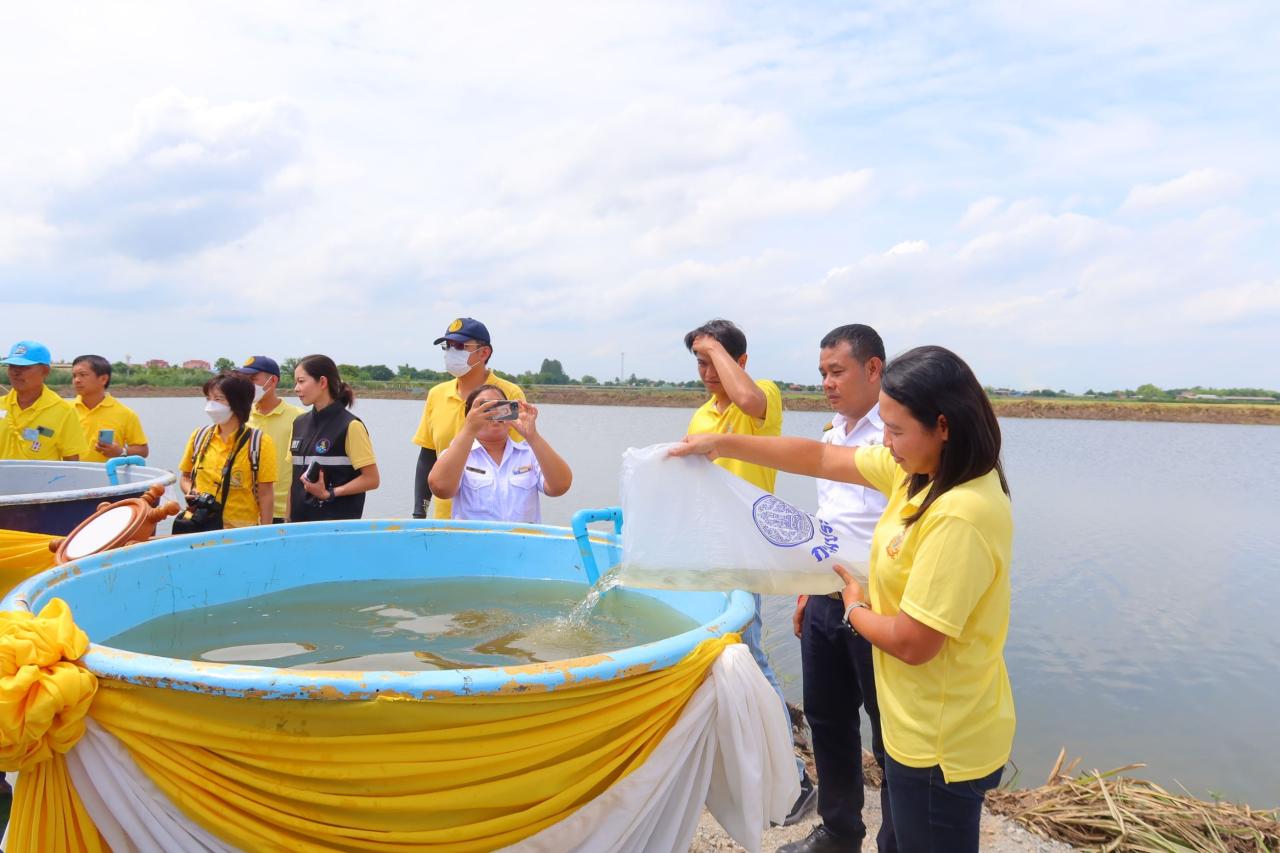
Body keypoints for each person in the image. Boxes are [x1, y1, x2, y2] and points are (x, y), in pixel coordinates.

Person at [672, 345, 1014, 853]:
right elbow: (823, 457)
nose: (888, 443)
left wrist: (854, 604)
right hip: (916, 727)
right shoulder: (919, 477)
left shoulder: (958, 514)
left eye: (896, 431)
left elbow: (916, 642)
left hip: (942, 740)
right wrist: (723, 443)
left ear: (943, 425)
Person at [681, 319, 816, 824]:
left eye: (713, 360)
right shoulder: (700, 417)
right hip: (708, 553)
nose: (706, 371)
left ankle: (796, 779)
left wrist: (716, 348)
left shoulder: (762, 397)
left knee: (752, 656)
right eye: (698, 362)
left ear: (739, 362)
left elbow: (751, 403)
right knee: (711, 656)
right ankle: (735, 767)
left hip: (745, 554)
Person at [781, 325, 892, 853]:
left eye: (837, 371)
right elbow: (827, 520)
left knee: (890, 729)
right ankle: (840, 831)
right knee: (827, 719)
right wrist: (806, 588)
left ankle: (899, 834)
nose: (826, 382)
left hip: (879, 602)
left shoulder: (894, 435)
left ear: (873, 369)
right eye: (822, 372)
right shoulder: (831, 434)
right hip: (826, 597)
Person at [411, 317, 525, 520]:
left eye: (460, 346)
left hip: (495, 518)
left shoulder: (507, 394)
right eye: (448, 346)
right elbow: (428, 456)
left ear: (484, 352)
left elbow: (515, 458)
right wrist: (419, 512)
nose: (451, 352)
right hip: (446, 518)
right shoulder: (437, 394)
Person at [428, 385, 572, 522]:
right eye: (485, 409)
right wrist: (469, 430)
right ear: (469, 417)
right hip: (474, 544)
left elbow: (560, 486)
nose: (494, 416)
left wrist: (533, 436)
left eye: (501, 408)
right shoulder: (458, 455)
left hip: (523, 544)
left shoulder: (529, 453)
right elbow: (441, 488)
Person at [289, 355, 380, 522]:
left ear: (322, 382)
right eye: (296, 382)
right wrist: (287, 523)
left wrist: (329, 493)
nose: (296, 388)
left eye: (301, 381)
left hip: (336, 529)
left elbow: (372, 479)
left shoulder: (350, 425)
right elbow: (293, 482)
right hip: (298, 529)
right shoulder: (299, 423)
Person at [178, 373, 276, 528]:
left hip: (239, 531)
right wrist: (193, 491)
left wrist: (265, 533)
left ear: (238, 402)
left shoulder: (259, 442)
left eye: (218, 399)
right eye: (208, 399)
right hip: (199, 524)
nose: (211, 405)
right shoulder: (199, 436)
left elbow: (266, 494)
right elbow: (185, 477)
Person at [238, 356, 303, 523]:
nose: (247, 385)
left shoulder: (299, 418)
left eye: (253, 379)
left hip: (284, 510)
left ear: (273, 380)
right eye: (244, 380)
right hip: (244, 510)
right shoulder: (239, 418)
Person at [1, 340, 87, 461]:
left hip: (42, 480)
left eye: (24, 367)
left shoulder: (63, 411)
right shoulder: (1, 405)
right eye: (12, 366)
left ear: (45, 371)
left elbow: (72, 462)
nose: (16, 372)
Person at [70, 354, 149, 462]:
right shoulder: (66, 411)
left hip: (107, 477)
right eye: (74, 376)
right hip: (70, 476)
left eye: (83, 375)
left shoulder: (125, 414)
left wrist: (121, 452)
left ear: (103, 379)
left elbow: (143, 450)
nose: (77, 380)